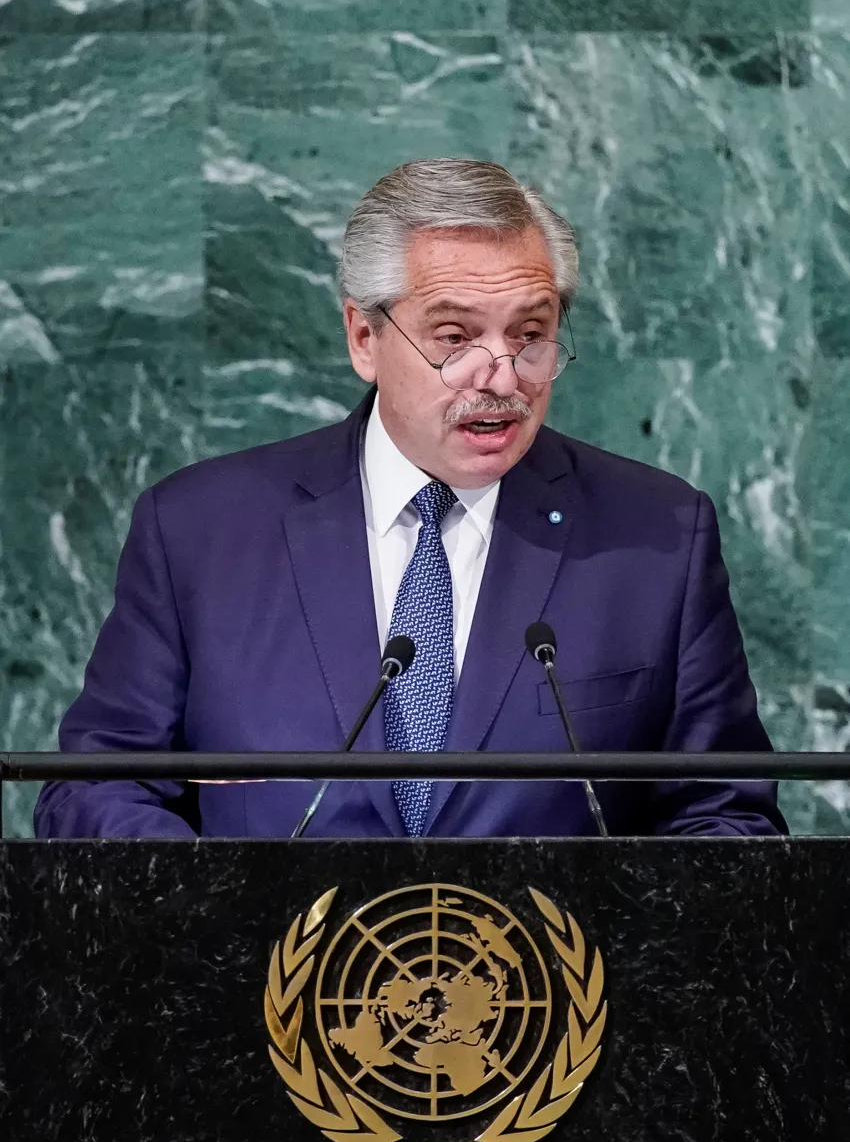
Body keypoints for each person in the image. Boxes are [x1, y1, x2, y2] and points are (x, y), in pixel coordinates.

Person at [34, 159, 786, 840]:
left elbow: (726, 815)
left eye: (530, 335)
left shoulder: (658, 538)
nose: (502, 376)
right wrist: (218, 912)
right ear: (364, 336)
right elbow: (97, 785)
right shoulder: (199, 530)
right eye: (454, 337)